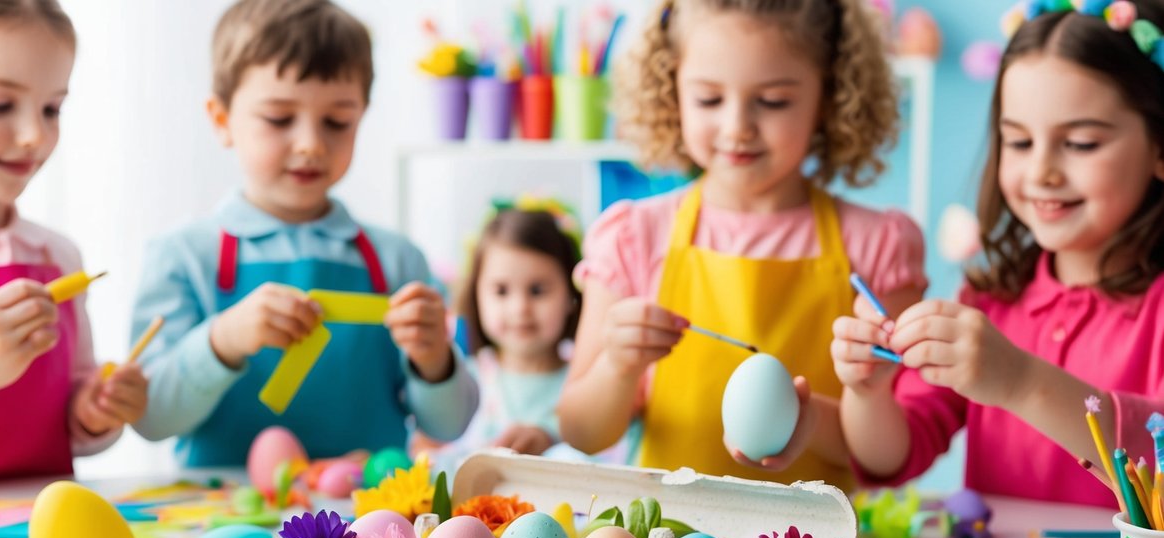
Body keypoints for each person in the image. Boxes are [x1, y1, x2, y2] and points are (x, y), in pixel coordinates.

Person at [558, 0, 926, 487]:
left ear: (830, 96)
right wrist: (618, 366)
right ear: (672, 93)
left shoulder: (877, 245)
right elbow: (581, 431)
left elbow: (888, 459)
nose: (737, 127)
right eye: (709, 100)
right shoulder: (634, 237)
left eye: (773, 101)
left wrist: (829, 409)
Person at [832, 0, 1164, 507]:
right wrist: (868, 393)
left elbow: (1157, 461)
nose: (1042, 172)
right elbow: (893, 458)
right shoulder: (989, 299)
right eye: (1019, 141)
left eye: (1080, 143)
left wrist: (1022, 382)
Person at [131, 0, 477, 465]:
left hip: (365, 514)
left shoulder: (398, 260)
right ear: (221, 119)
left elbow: (449, 424)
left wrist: (434, 358)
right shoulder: (184, 256)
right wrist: (223, 340)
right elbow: (150, 416)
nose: (312, 143)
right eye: (278, 118)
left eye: (337, 121)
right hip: (225, 511)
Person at [0, 0, 147, 484]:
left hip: (42, 523)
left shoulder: (57, 257)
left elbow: (70, 414)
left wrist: (95, 410)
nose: (33, 134)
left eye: (52, 108)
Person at [422, 204, 585, 473]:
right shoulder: (463, 382)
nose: (520, 308)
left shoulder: (586, 383)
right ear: (476, 296)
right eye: (501, 291)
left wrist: (550, 438)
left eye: (537, 290)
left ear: (571, 294)